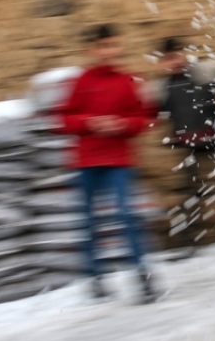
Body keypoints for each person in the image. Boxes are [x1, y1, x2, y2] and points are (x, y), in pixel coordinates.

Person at [54, 24, 159, 303]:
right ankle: (95, 278)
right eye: (102, 47)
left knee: (126, 215)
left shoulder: (129, 81)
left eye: (112, 45)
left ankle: (143, 276)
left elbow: (145, 118)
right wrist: (89, 122)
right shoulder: (80, 81)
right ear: (92, 50)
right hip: (86, 161)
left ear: (119, 47)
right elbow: (63, 119)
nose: (108, 51)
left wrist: (122, 125)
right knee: (89, 220)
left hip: (118, 160)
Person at [148, 36, 215, 212]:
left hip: (212, 136)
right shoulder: (162, 87)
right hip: (186, 142)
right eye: (169, 58)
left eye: (177, 56)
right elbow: (157, 112)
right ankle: (195, 214)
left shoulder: (202, 73)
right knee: (193, 186)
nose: (174, 62)